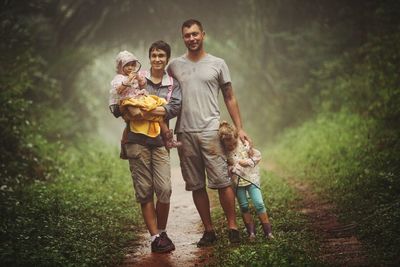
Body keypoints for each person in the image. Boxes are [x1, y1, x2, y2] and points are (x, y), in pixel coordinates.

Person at [167, 19, 251, 246]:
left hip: (211, 131)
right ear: (182, 38)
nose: (192, 39)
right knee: (196, 184)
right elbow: (163, 97)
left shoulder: (218, 63)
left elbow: (230, 96)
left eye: (195, 34)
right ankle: (209, 230)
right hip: (184, 133)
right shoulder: (173, 66)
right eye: (187, 35)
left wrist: (239, 127)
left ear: (203, 34)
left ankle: (233, 228)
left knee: (223, 181)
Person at [110, 41, 181, 253]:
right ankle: (155, 237)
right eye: (154, 55)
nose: (158, 59)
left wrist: (147, 110)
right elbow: (116, 107)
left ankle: (162, 229)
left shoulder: (172, 83)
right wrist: (131, 109)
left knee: (165, 189)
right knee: (145, 190)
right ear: (149, 58)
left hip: (159, 141)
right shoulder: (134, 78)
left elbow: (174, 107)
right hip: (136, 140)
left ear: (167, 58)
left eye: (162, 55)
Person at [109, 50, 180, 149]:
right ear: (121, 67)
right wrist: (128, 80)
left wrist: (138, 78)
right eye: (127, 65)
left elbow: (142, 86)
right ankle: (125, 143)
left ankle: (168, 139)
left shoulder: (137, 75)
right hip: (128, 101)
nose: (130, 68)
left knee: (158, 115)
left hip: (138, 98)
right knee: (134, 115)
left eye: (133, 65)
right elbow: (118, 90)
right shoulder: (119, 78)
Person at [218, 121, 274, 240]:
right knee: (243, 206)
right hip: (238, 183)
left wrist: (248, 162)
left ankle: (268, 232)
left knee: (259, 203)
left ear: (236, 137)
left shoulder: (244, 144)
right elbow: (225, 167)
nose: (232, 147)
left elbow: (257, 156)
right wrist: (231, 168)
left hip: (251, 179)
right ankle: (251, 233)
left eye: (233, 144)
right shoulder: (224, 152)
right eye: (229, 146)